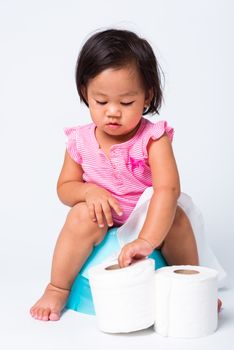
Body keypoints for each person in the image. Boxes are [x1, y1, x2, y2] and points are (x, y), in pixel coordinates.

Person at [30, 28, 222, 321]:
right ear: (85, 93)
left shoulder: (153, 139)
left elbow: (166, 190)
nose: (113, 112)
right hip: (104, 215)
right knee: (79, 216)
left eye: (126, 102)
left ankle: (191, 285)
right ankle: (58, 287)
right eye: (101, 101)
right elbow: (65, 187)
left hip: (147, 215)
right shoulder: (80, 140)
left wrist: (147, 239)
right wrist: (87, 192)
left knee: (177, 219)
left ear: (147, 97)